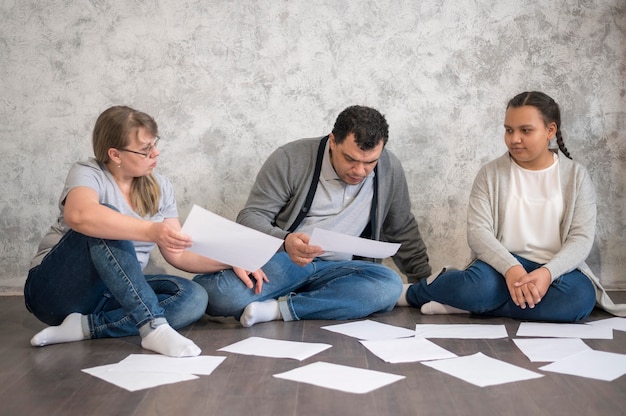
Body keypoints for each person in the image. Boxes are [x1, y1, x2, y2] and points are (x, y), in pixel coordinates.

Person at [24, 106, 267, 357]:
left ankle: (86, 327)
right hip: (55, 291)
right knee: (105, 217)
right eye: (145, 150)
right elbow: (80, 215)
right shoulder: (88, 173)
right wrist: (152, 230)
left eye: (154, 144)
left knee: (193, 297)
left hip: (114, 293)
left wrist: (232, 260)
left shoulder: (159, 186)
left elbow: (179, 254)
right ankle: (153, 327)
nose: (156, 153)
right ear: (115, 155)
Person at [193, 105, 432, 327]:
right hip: (287, 262)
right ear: (332, 141)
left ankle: (279, 309)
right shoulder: (290, 158)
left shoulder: (389, 168)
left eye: (370, 162)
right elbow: (250, 217)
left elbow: (402, 228)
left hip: (342, 271)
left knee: (387, 286)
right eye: (350, 159)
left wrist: (424, 281)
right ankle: (320, 302)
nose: (360, 170)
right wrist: (286, 241)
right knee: (218, 297)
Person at [398, 91, 626, 322]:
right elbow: (478, 233)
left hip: (555, 271)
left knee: (579, 299)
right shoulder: (490, 174)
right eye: (509, 130)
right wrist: (511, 269)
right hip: (499, 266)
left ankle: (469, 306)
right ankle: (415, 293)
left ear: (550, 131)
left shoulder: (577, 176)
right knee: (478, 288)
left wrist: (547, 273)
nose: (514, 138)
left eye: (525, 130)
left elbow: (581, 238)